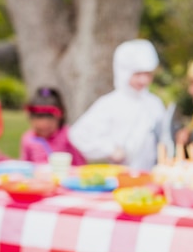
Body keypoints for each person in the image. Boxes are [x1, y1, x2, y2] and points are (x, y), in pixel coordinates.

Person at [69, 39, 166, 171]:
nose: (143, 80)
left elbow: (164, 137)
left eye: (147, 74)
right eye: (137, 74)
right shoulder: (110, 104)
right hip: (120, 177)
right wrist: (110, 150)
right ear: (124, 73)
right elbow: (79, 134)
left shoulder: (154, 103)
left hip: (151, 176)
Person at [0, 87, 86, 165]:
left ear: (59, 118)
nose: (44, 131)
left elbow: (81, 166)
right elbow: (23, 167)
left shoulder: (68, 135)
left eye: (49, 128)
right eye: (39, 129)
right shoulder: (28, 139)